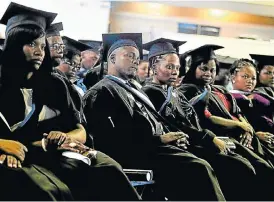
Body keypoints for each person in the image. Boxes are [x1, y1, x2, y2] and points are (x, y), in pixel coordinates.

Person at [0, 3, 140, 200]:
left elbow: (80, 129)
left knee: (108, 168)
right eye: (31, 44)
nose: (40, 51)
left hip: (55, 150)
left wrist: (67, 137)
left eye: (42, 45)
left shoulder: (54, 82)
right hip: (26, 154)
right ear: (14, 44)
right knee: (50, 189)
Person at [83, 33, 225, 201]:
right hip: (138, 156)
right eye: (129, 56)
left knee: (206, 162)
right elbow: (110, 141)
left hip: (154, 149)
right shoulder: (102, 92)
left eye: (137, 57)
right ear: (112, 58)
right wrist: (160, 140)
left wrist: (172, 138)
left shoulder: (132, 88)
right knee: (199, 168)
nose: (136, 61)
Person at [142, 38, 264, 200]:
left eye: (177, 68)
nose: (174, 72)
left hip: (195, 140)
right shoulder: (151, 93)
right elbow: (176, 125)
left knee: (243, 164)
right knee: (234, 166)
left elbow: (191, 121)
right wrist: (210, 138)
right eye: (169, 67)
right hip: (182, 146)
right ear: (154, 67)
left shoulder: (173, 91)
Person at [179, 44, 274, 200]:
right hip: (216, 140)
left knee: (266, 167)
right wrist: (239, 125)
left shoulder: (218, 90)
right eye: (204, 69)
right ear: (193, 68)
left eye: (212, 70)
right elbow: (206, 117)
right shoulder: (187, 90)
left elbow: (237, 112)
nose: (209, 74)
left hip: (242, 137)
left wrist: (248, 128)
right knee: (251, 169)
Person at [229, 58, 274, 148]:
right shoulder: (228, 97)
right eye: (245, 76)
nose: (250, 81)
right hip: (254, 142)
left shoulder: (261, 95)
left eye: (253, 78)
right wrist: (255, 134)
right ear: (233, 78)